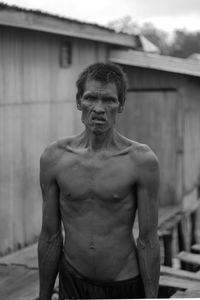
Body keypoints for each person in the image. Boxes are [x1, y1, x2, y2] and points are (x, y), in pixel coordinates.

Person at [38, 62, 160, 299]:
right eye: (91, 98)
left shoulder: (141, 161)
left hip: (123, 282)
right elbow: (50, 235)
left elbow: (148, 240)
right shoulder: (54, 157)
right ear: (78, 101)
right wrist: (43, 296)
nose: (99, 108)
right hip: (72, 280)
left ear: (121, 105)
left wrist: (152, 297)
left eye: (109, 100)